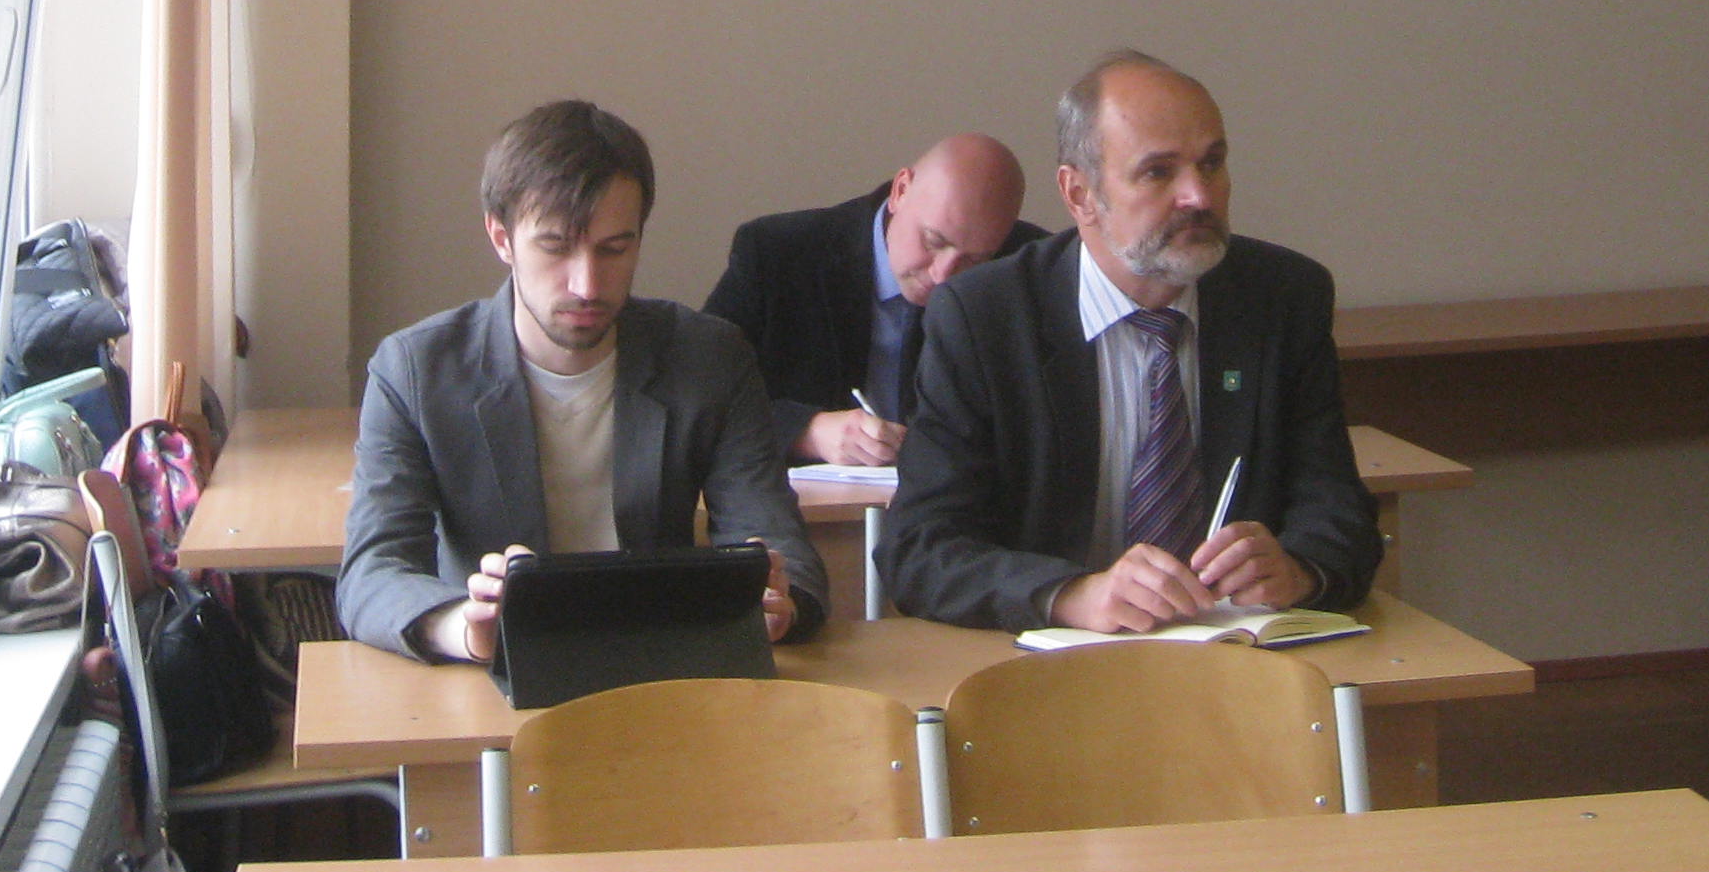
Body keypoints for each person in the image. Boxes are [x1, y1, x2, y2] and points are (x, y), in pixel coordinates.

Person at [879, 53, 1381, 634]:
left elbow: (1339, 511)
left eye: (1211, 164)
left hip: (1237, 654)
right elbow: (919, 548)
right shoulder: (986, 316)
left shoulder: (1281, 297)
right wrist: (1071, 594)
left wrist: (1298, 569)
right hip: (1056, 663)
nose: (1198, 196)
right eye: (1158, 172)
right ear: (1079, 194)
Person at [338, 98, 827, 661]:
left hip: (662, 658)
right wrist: (464, 627)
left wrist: (777, 601)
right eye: (555, 247)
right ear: (501, 238)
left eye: (614, 249)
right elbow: (372, 573)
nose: (587, 284)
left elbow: (777, 539)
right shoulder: (415, 370)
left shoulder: (709, 357)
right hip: (494, 672)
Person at [703, 133, 1037, 466]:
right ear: (901, 191)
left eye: (974, 260)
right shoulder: (778, 253)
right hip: (807, 497)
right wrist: (807, 431)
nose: (942, 275)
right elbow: (702, 393)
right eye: (933, 241)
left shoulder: (1025, 269)